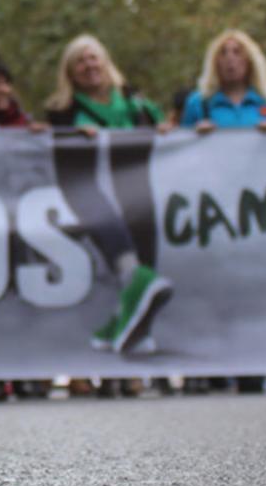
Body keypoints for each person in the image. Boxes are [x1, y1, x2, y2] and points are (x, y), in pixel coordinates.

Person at [44, 34, 172, 355]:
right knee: (120, 247)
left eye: (93, 58)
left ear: (105, 61)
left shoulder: (135, 102)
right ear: (70, 72)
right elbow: (56, 150)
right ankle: (134, 278)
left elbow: (164, 128)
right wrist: (72, 135)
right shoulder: (62, 109)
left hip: (136, 190)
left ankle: (123, 323)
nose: (89, 66)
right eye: (80, 62)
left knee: (142, 234)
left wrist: (174, 129)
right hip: (89, 188)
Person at [180, 30, 266, 131]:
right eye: (223, 53)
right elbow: (181, 145)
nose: (230, 58)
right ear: (215, 62)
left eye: (237, 52)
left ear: (250, 60)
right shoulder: (198, 104)